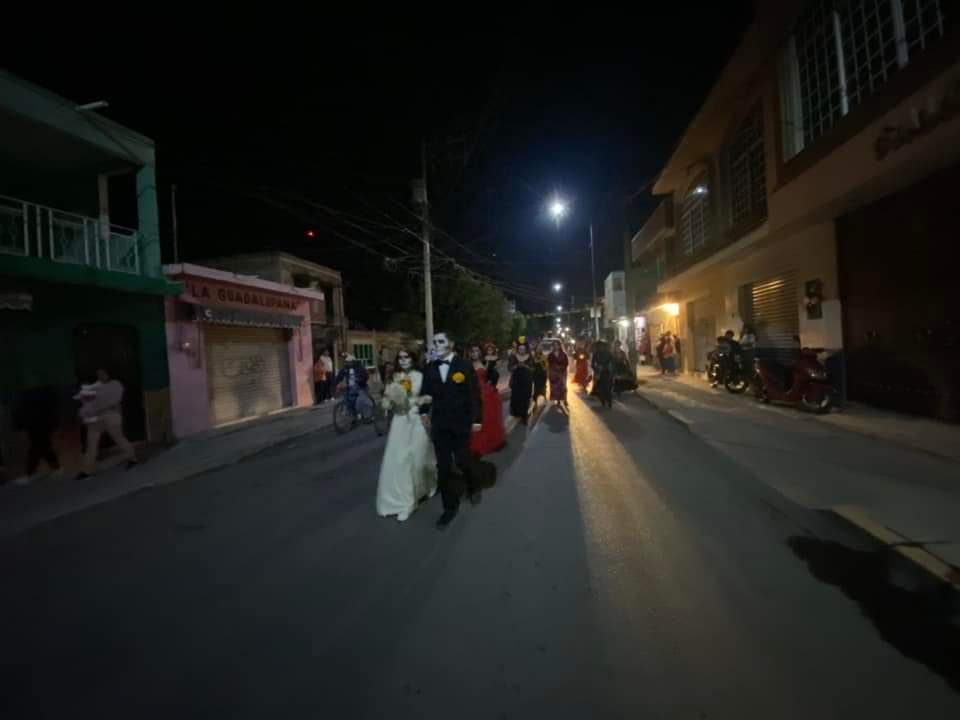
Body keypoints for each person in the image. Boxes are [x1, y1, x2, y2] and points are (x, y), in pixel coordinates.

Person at [420, 331, 483, 529]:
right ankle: (449, 508)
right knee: (444, 467)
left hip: (461, 423)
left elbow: (474, 394)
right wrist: (423, 411)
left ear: (451, 344)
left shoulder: (464, 366)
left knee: (463, 460)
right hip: (440, 425)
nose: (436, 345)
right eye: (434, 342)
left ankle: (474, 485)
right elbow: (425, 392)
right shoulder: (429, 367)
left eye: (441, 341)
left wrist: (476, 419)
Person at [376, 350, 437, 522]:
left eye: (406, 357)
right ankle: (406, 502)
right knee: (399, 462)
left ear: (413, 359)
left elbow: (431, 395)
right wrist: (387, 402)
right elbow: (387, 402)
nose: (403, 360)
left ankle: (428, 484)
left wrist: (424, 400)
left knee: (419, 460)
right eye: (400, 357)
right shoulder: (394, 377)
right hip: (399, 422)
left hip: (417, 421)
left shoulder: (421, 376)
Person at [77, 369, 137, 480]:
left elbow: (113, 401)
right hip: (95, 419)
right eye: (98, 374)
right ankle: (86, 471)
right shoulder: (93, 388)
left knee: (119, 438)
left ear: (108, 374)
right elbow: (87, 404)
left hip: (110, 416)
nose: (101, 376)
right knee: (91, 445)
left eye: (103, 373)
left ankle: (133, 459)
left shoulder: (115, 384)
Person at [11, 384, 62, 486]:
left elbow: (20, 408)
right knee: (43, 445)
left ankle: (32, 472)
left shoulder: (26, 393)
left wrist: (18, 424)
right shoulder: (45, 388)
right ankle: (54, 468)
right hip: (43, 420)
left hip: (35, 421)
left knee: (37, 446)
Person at [469, 343, 506, 456]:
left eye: (477, 351)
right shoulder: (467, 364)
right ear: (470, 353)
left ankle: (488, 441)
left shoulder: (486, 362)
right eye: (473, 351)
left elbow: (493, 375)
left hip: (485, 392)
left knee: (487, 416)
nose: (475, 353)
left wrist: (491, 382)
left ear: (480, 352)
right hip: (472, 391)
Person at [335, 353, 373, 422]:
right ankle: (353, 416)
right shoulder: (345, 369)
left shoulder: (360, 368)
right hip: (350, 388)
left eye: (349, 362)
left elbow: (366, 376)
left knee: (360, 401)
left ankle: (368, 417)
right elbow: (338, 377)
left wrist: (359, 380)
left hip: (361, 387)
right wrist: (336, 384)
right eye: (347, 362)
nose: (347, 363)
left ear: (353, 362)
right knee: (348, 401)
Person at [508, 341, 535, 424]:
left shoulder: (530, 357)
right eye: (520, 349)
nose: (521, 350)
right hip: (516, 380)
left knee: (525, 398)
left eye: (523, 349)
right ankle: (517, 413)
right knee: (516, 397)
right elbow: (509, 368)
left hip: (526, 380)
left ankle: (524, 416)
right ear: (518, 349)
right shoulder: (514, 357)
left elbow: (533, 368)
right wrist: (516, 366)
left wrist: (525, 366)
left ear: (526, 349)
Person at [591, 341, 615, 408]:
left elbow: (612, 361)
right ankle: (602, 400)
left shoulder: (608, 353)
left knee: (608, 387)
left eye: (602, 346)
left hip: (607, 371)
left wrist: (609, 367)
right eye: (599, 346)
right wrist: (596, 369)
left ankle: (609, 400)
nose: (601, 347)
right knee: (599, 387)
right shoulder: (596, 353)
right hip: (599, 372)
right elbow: (592, 363)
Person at [548, 340, 569, 408]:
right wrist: (552, 370)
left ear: (560, 346)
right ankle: (557, 400)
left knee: (563, 386)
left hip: (562, 372)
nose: (556, 346)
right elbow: (549, 363)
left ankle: (565, 399)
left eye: (557, 345)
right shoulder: (550, 355)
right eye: (554, 345)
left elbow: (566, 363)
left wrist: (561, 367)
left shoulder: (564, 354)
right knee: (555, 387)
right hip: (554, 373)